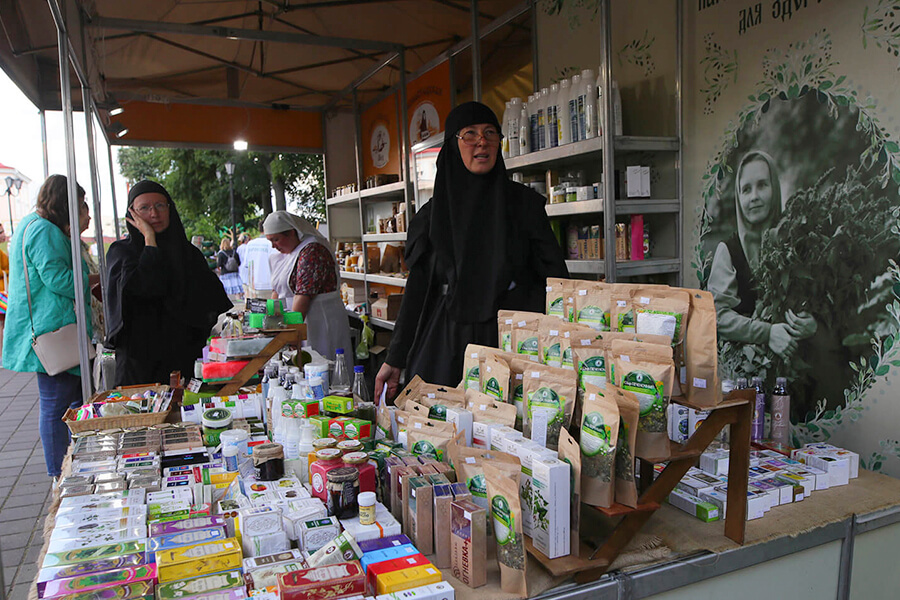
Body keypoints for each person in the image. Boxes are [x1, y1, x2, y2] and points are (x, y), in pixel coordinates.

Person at [375, 101, 569, 399]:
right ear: (453, 145)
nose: (482, 141)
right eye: (470, 133)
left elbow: (556, 280)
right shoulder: (432, 217)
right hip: (446, 342)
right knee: (439, 428)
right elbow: (418, 289)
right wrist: (395, 357)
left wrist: (561, 345)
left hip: (511, 340)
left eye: (490, 133)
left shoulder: (524, 206)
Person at [2, 175, 93, 479]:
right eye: (80, 204)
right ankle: (60, 472)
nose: (83, 209)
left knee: (58, 403)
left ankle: (65, 468)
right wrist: (88, 281)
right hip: (54, 330)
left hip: (45, 328)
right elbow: (58, 279)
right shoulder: (45, 231)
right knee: (57, 405)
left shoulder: (30, 224)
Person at [106, 180, 231, 386]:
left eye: (160, 206)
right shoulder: (122, 252)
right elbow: (144, 287)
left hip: (184, 361)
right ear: (132, 215)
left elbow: (212, 301)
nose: (154, 214)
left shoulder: (187, 254)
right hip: (139, 366)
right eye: (144, 208)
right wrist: (149, 240)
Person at [708, 151, 816, 358]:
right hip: (747, 377)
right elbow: (718, 315)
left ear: (775, 188)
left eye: (762, 185)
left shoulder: (798, 242)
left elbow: (819, 300)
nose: (754, 197)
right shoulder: (729, 250)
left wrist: (813, 324)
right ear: (738, 198)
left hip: (801, 372)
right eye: (746, 190)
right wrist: (766, 333)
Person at [263, 210, 351, 359]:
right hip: (298, 320)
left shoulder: (313, 250)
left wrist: (291, 334)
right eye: (270, 241)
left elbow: (303, 297)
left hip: (320, 320)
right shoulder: (283, 255)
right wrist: (271, 321)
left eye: (276, 240)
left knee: (323, 364)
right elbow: (276, 291)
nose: (273, 246)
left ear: (292, 233)